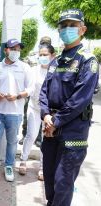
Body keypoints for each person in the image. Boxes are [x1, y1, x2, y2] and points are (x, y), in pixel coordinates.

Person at [40, 9, 99, 206]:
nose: (67, 29)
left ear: (82, 29)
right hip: (51, 129)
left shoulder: (87, 60)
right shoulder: (55, 61)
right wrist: (46, 115)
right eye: (63, 26)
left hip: (73, 132)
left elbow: (79, 99)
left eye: (72, 25)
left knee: (63, 184)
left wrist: (55, 121)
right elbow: (43, 92)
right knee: (49, 181)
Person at [0, 38, 33, 182]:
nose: (16, 52)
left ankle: (9, 166)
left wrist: (18, 96)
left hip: (15, 113)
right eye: (13, 49)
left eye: (18, 49)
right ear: (6, 50)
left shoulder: (25, 67)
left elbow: (30, 89)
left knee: (12, 142)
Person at [19, 44, 55, 180]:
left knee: (46, 138)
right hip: (34, 108)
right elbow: (30, 88)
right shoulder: (34, 70)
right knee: (31, 135)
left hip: (49, 112)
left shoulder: (55, 71)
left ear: (52, 56)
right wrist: (21, 95)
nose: (42, 57)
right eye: (40, 54)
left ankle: (42, 167)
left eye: (45, 54)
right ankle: (23, 160)